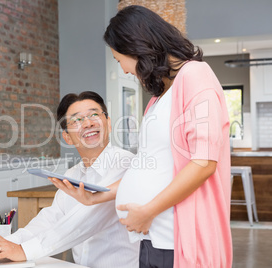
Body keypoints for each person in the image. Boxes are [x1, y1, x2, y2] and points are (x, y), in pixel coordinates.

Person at [51, 5, 233, 268]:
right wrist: (96, 197)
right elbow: (150, 167)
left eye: (119, 59)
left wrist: (149, 211)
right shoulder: (159, 98)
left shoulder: (195, 75)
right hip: (151, 236)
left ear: (136, 46)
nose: (123, 70)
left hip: (175, 237)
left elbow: (203, 163)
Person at [0, 91, 140, 268]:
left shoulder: (126, 164)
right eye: (77, 120)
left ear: (108, 123)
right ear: (67, 137)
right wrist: (2, 242)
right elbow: (50, 219)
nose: (88, 123)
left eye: (94, 114)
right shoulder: (73, 173)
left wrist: (23, 250)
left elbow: (85, 220)